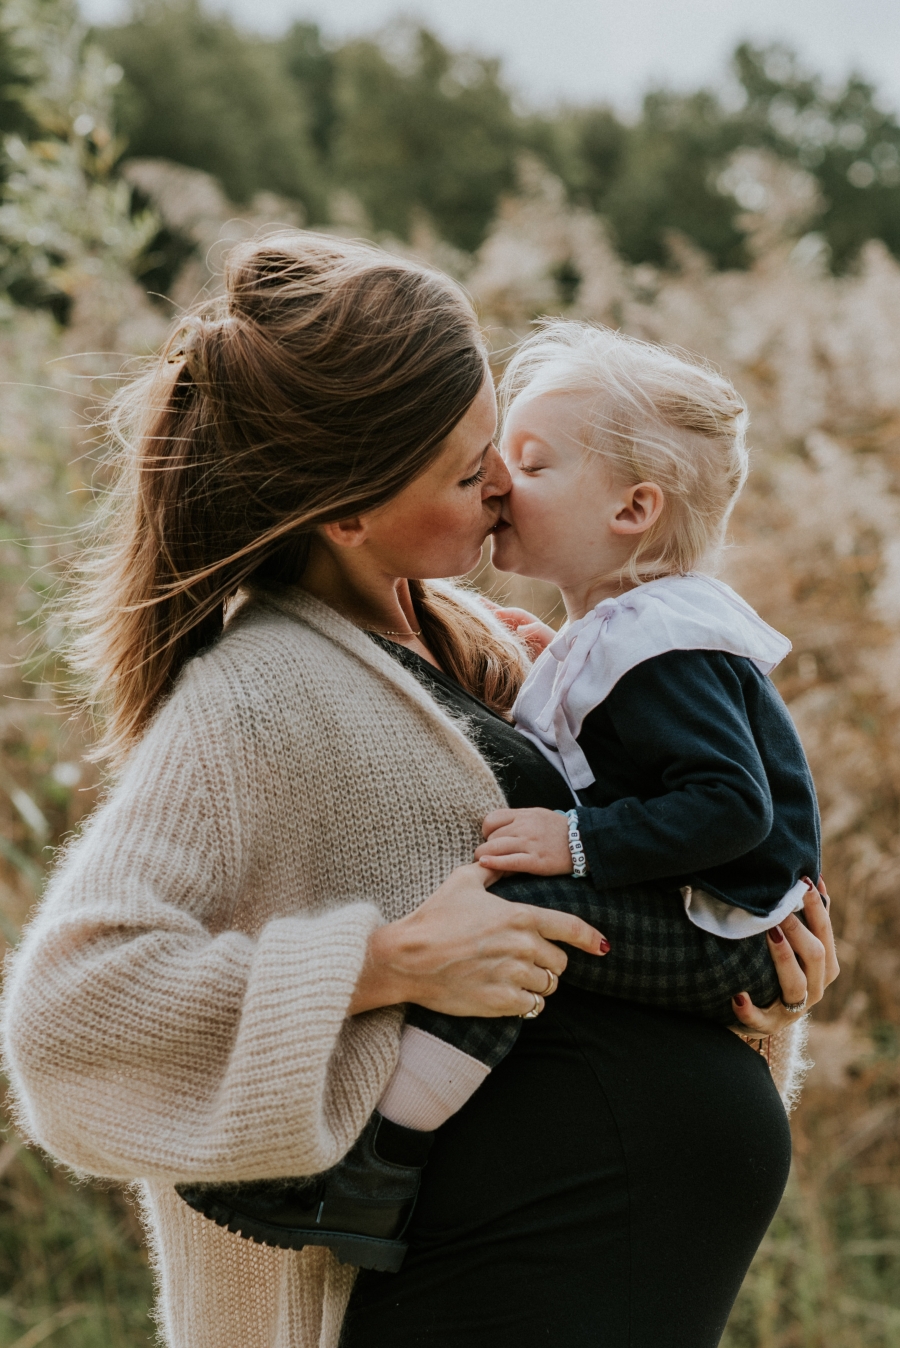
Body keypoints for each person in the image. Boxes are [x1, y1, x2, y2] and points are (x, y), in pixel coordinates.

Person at [0, 233, 838, 1348]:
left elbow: (620, 912)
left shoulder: (501, 650)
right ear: (346, 511)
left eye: (500, 440)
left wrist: (754, 988)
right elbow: (69, 1021)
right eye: (464, 470)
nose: (502, 485)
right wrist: (383, 961)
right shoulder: (252, 699)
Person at [189, 322, 826, 1275]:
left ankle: (373, 1166)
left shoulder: (661, 651)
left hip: (721, 935)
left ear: (632, 509)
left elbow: (730, 810)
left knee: (514, 918)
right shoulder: (610, 636)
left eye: (529, 461)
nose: (498, 481)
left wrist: (577, 846)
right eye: (484, 459)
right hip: (698, 974)